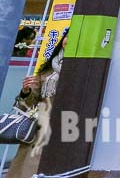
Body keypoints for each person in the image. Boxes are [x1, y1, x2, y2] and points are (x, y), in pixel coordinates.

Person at [8, 32, 66, 178]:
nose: (69, 41)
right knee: (27, 169)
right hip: (39, 129)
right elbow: (27, 105)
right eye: (67, 36)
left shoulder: (80, 69)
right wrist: (26, 91)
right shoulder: (47, 69)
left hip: (65, 127)